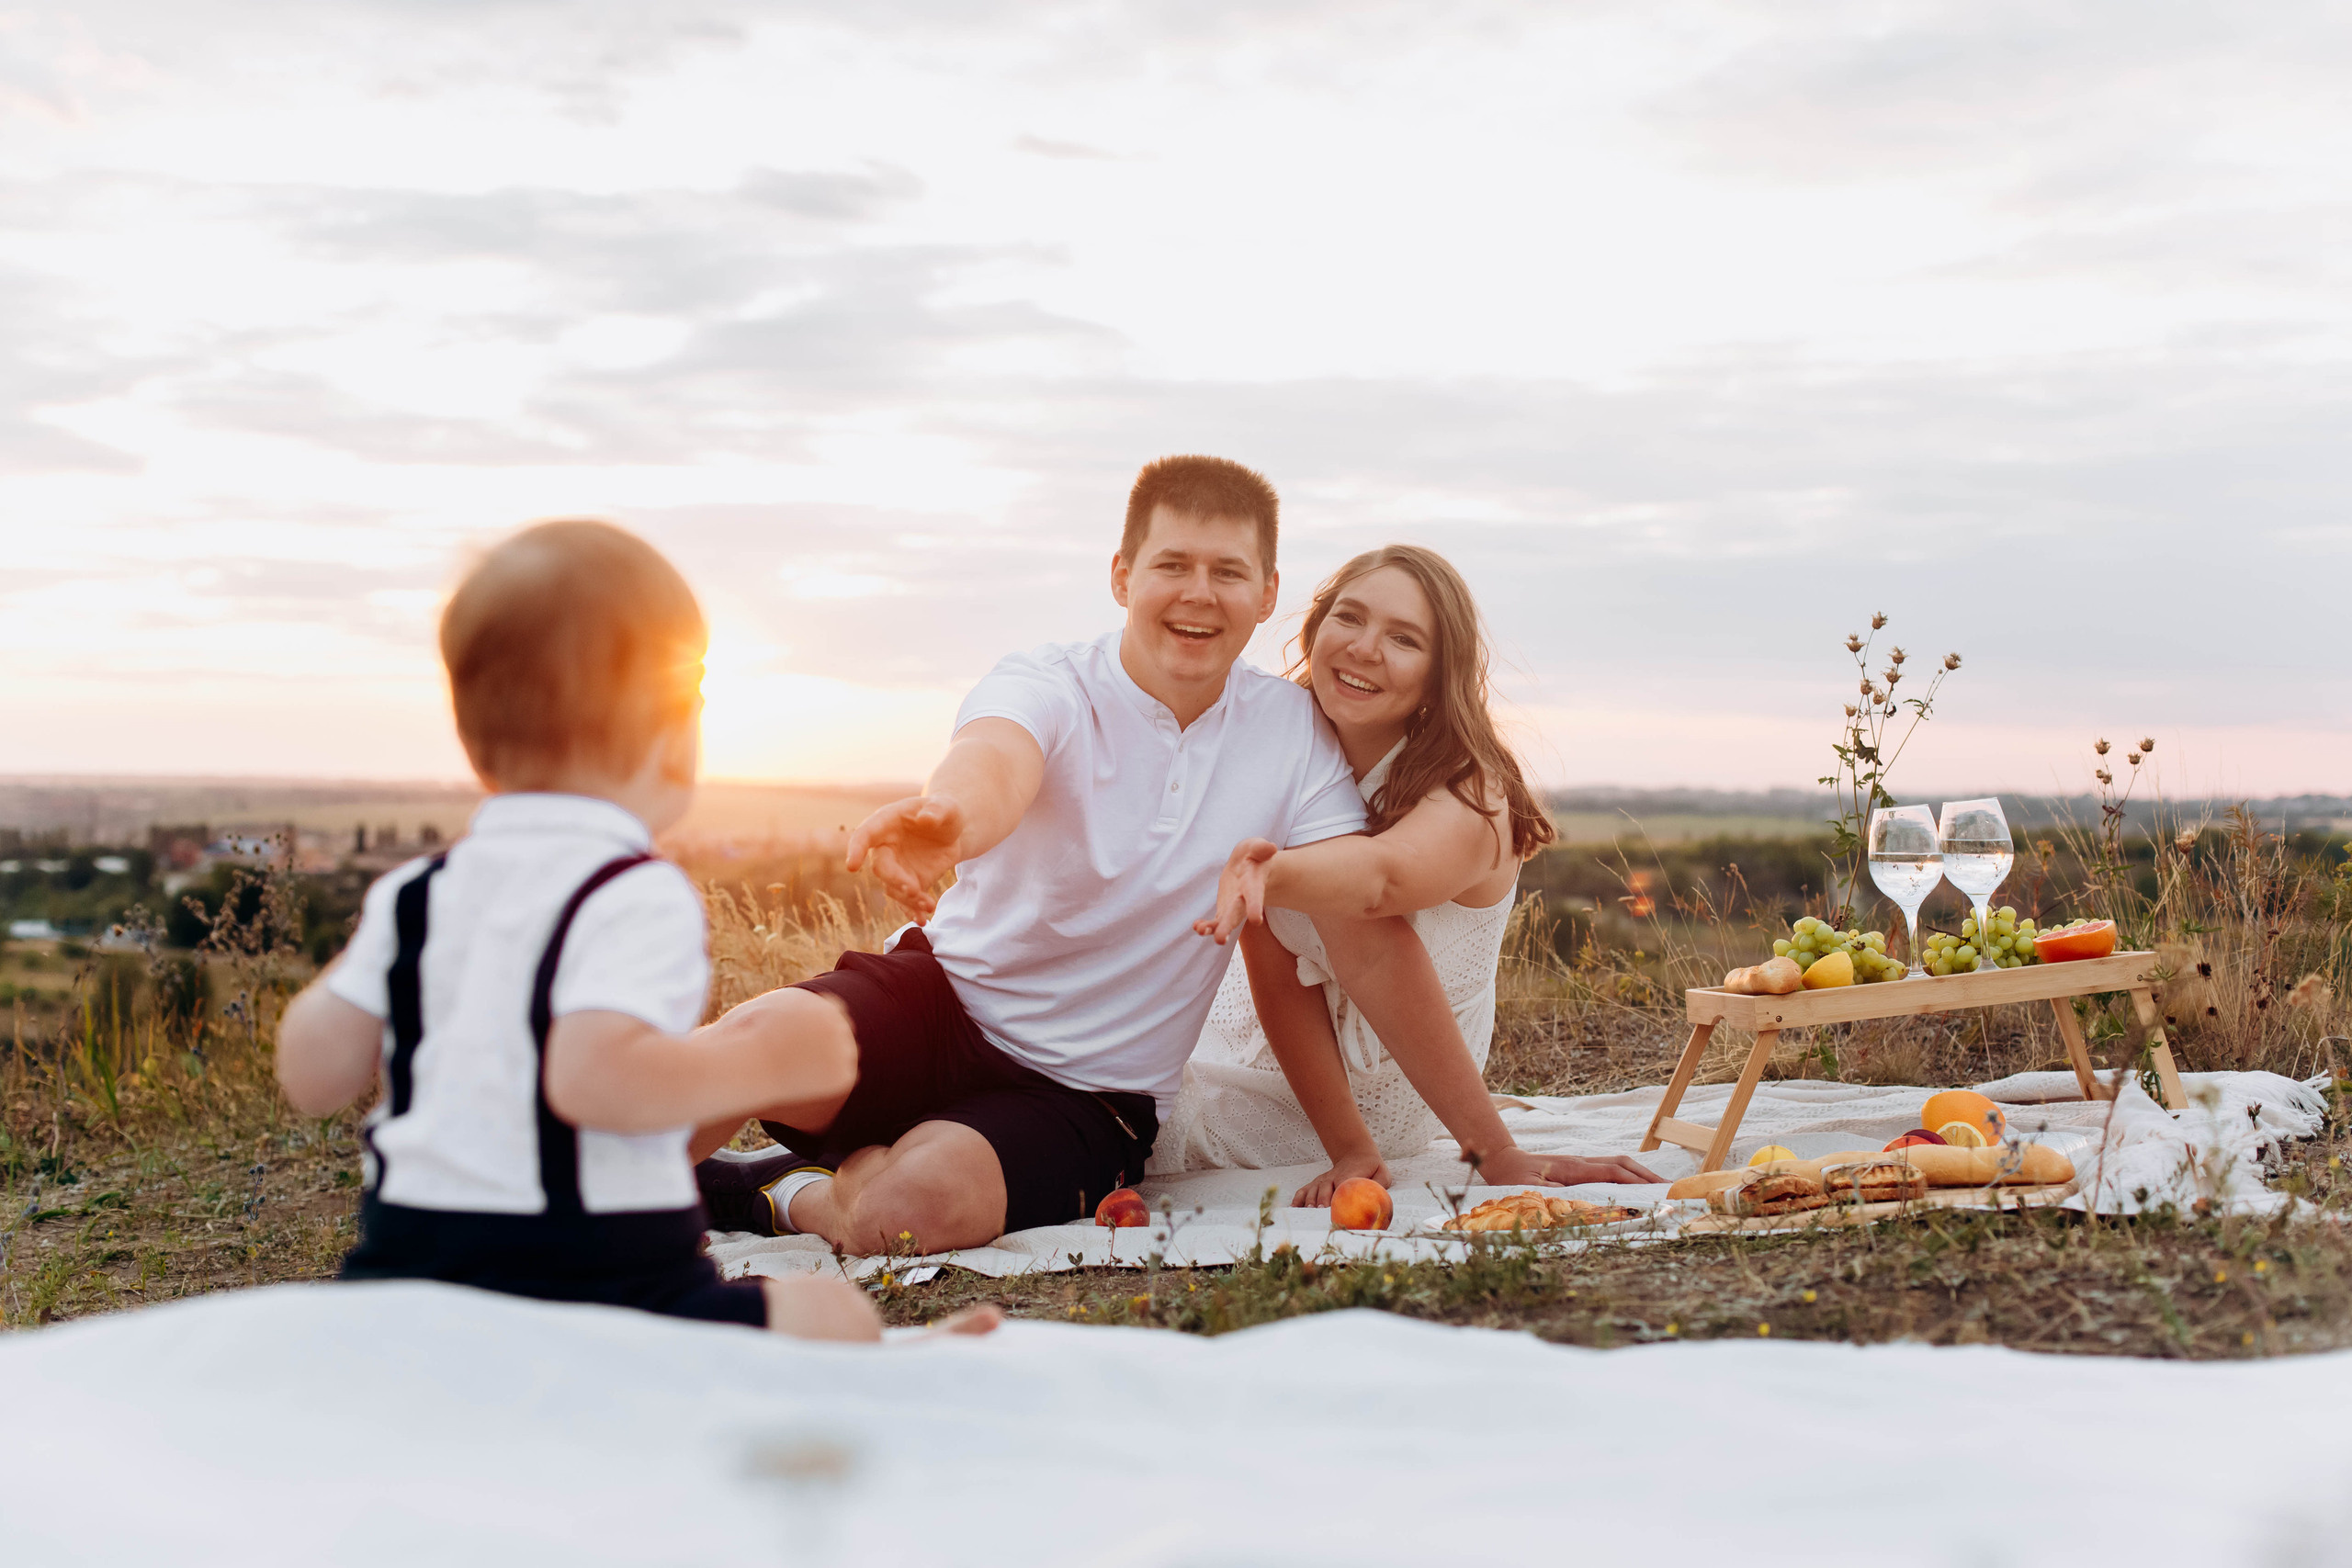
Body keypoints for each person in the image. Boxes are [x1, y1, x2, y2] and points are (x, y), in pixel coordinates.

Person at [692, 457, 1649, 1253]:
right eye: (1172, 565)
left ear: (1267, 594)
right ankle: (587, 1215)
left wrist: (1495, 1156)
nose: (1198, 593)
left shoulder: (1299, 742)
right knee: (750, 1043)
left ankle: (788, 1192)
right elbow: (994, 763)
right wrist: (949, 819)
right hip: (941, 997)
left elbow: (1367, 928)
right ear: (1122, 575)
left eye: (1228, 572)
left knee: (904, 1213)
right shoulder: (1047, 679)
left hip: (1089, 1096)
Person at [276, 520, 992, 1342]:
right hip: (588, 1275)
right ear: (674, 734)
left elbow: (312, 1071)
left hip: (405, 1275)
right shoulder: (631, 893)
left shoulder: (413, 892)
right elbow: (592, 1078)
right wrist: (763, 1062)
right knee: (832, 1312)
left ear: (475, 741)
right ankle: (902, 1358)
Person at [1165, 546, 1661, 1202]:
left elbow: (1378, 885)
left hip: (1390, 1094)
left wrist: (1499, 1156)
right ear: (1315, 630)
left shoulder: (1470, 794)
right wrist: (1349, 1151)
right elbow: (1276, 970)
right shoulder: (1283, 752)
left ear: (1438, 674)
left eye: (1403, 638)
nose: (1366, 648)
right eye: (1350, 618)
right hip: (1276, 1067)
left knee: (1110, 1115)